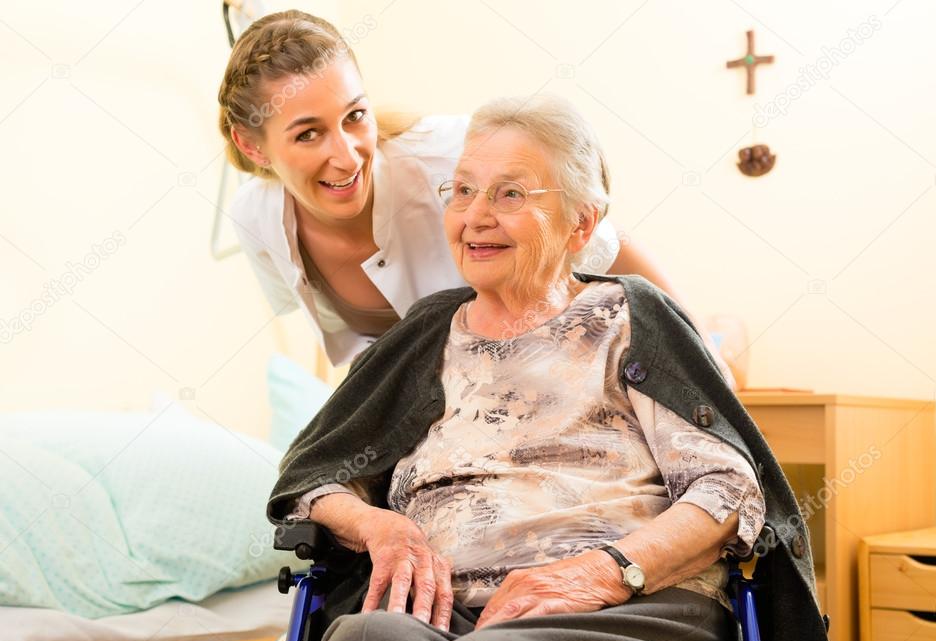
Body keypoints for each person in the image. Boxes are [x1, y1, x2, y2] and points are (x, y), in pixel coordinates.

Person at [267, 95, 829, 641]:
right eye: (461, 190)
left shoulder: (628, 316)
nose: (475, 215)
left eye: (510, 194)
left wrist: (603, 572)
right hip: (443, 606)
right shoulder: (427, 332)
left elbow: (728, 491)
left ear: (581, 223)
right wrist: (379, 525)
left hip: (626, 607)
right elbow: (316, 475)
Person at [217, 10, 736, 387]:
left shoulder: (454, 158)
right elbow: (362, 356)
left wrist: (705, 357)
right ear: (252, 146)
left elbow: (603, 239)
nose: (349, 157)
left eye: (355, 116)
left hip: (541, 372)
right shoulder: (256, 220)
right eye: (308, 134)